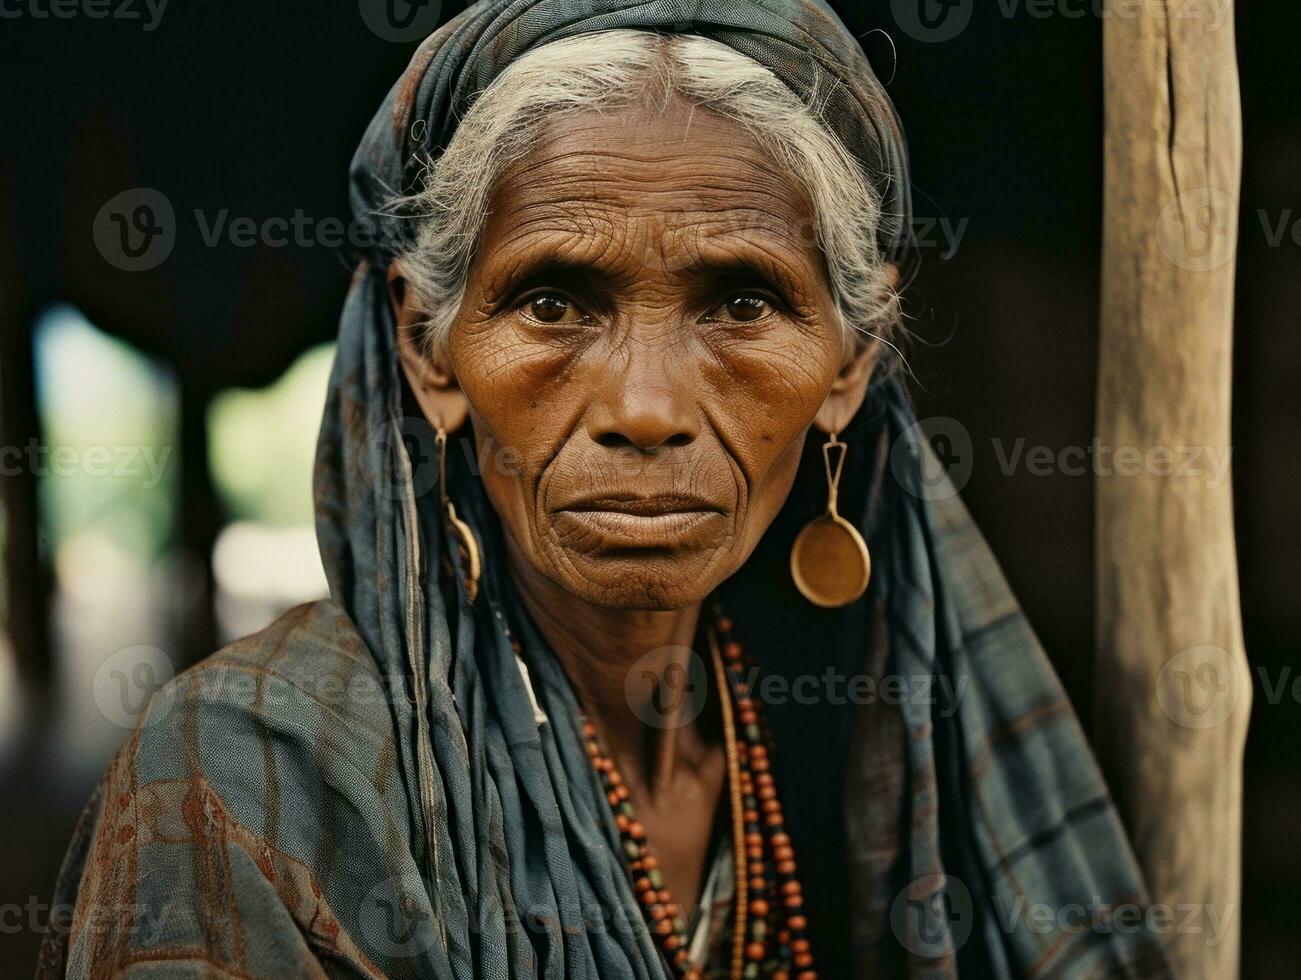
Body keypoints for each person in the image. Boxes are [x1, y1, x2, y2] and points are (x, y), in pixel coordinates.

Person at [39, 2, 1171, 977]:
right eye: (553, 301)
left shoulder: (866, 732)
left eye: (740, 302)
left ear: (848, 365)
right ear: (428, 347)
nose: (644, 406)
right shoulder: (245, 778)